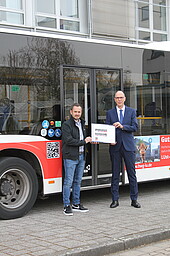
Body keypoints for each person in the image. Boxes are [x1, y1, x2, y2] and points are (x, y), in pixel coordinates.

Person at [106, 91, 141, 208]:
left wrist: (122, 126)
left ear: (124, 99)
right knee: (115, 173)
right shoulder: (110, 113)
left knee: (132, 173)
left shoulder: (131, 111)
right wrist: (109, 139)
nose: (119, 99)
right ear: (114, 99)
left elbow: (135, 127)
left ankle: (134, 199)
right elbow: (107, 129)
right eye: (117, 98)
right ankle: (115, 200)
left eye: (121, 97)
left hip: (128, 146)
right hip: (115, 146)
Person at [62, 103, 92, 216]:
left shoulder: (82, 123)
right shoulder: (66, 125)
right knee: (68, 182)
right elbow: (68, 140)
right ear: (71, 112)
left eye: (79, 112)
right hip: (70, 156)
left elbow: (84, 139)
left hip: (81, 156)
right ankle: (66, 205)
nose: (77, 114)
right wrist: (84, 141)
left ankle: (76, 203)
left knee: (77, 181)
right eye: (75, 112)